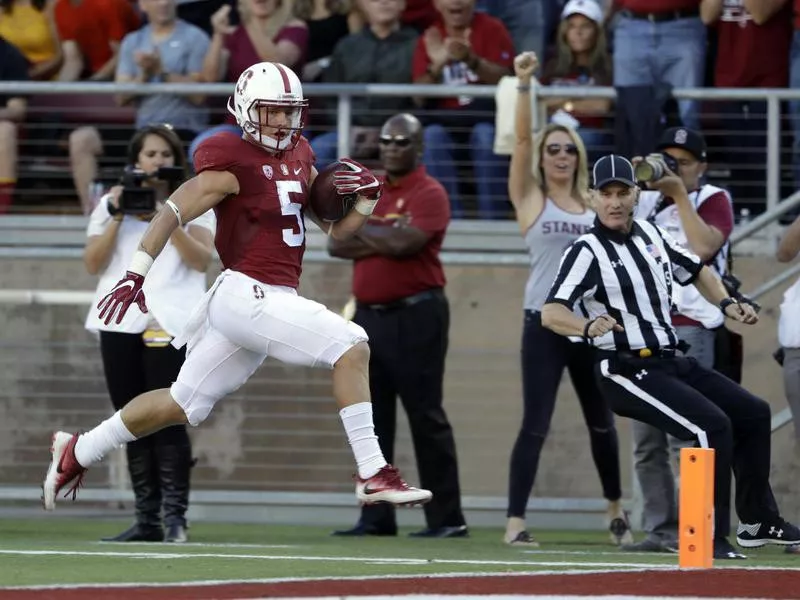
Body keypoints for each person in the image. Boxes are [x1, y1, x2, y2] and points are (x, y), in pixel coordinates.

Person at [42, 61, 432, 513]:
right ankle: (372, 471)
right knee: (352, 343)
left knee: (183, 404)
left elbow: (337, 232)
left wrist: (366, 199)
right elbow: (171, 211)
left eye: (290, 111)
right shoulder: (230, 158)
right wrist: (135, 273)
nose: (284, 121)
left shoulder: (301, 153)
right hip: (245, 292)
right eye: (273, 111)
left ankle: (78, 449)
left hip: (270, 298)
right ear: (247, 109)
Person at [541, 153, 800, 560]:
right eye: (605, 194)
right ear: (591, 198)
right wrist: (587, 327)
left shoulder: (651, 233)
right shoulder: (586, 250)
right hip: (625, 367)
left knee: (753, 412)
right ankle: (706, 536)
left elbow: (697, 268)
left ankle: (757, 520)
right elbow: (551, 312)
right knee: (708, 426)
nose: (614, 202)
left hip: (670, 359)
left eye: (622, 192)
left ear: (635, 194)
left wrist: (728, 302)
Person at [503, 51, 629, 548]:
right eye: (553, 148)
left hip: (591, 325)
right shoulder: (532, 199)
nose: (560, 155)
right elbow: (519, 140)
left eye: (569, 149)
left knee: (602, 422)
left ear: (579, 156)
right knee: (536, 423)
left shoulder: (596, 203)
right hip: (543, 324)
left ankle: (616, 510)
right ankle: (515, 522)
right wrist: (523, 84)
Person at [328, 113, 467, 538]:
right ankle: (375, 517)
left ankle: (447, 519)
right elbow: (336, 243)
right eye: (386, 141)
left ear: (419, 147)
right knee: (373, 420)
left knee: (426, 416)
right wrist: (385, 233)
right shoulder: (371, 189)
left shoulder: (430, 192)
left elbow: (408, 245)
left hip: (417, 314)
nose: (391, 147)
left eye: (401, 142)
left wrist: (366, 234)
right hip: (369, 317)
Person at [84, 124, 215, 543]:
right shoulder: (112, 201)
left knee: (169, 416)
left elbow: (200, 261)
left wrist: (166, 219)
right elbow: (92, 263)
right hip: (119, 319)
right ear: (135, 161)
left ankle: (175, 517)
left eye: (163, 154)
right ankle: (146, 519)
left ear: (175, 159)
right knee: (128, 417)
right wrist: (119, 215)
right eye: (149, 155)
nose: (156, 162)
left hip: (171, 318)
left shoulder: (197, 200)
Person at [624, 126, 734, 553]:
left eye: (682, 162)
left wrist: (680, 193)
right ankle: (661, 529)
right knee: (645, 442)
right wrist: (630, 180)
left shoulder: (713, 199)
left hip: (691, 325)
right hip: (642, 327)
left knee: (685, 435)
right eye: (667, 159)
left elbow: (704, 248)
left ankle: (696, 529)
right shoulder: (644, 201)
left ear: (701, 167)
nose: (673, 169)